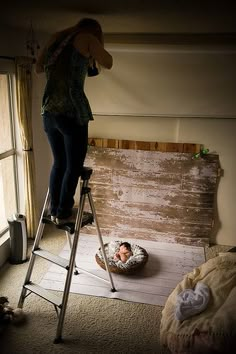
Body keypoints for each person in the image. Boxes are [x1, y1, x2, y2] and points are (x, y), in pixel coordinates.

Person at [35, 18, 113, 225]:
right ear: (94, 31)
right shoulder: (87, 38)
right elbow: (109, 62)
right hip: (72, 112)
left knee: (59, 163)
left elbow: (38, 69)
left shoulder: (55, 39)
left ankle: (55, 209)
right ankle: (63, 212)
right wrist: (94, 47)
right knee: (74, 165)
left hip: (48, 111)